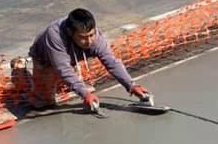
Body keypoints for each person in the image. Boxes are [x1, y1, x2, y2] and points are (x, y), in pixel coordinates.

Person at [22, 8, 152, 112]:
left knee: (69, 84)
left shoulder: (95, 38)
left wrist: (131, 85)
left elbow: (111, 62)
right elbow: (63, 69)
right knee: (43, 103)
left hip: (70, 57)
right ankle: (21, 68)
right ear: (70, 32)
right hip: (45, 60)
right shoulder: (55, 36)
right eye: (83, 37)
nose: (89, 41)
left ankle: (68, 84)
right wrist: (85, 94)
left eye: (91, 35)